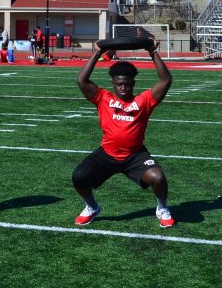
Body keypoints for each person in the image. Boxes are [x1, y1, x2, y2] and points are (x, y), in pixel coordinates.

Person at [72, 39, 174, 228]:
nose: (123, 88)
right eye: (119, 84)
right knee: (79, 177)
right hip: (107, 154)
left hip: (135, 155)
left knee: (158, 177)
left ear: (133, 83)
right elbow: (81, 80)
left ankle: (162, 208)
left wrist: (152, 51)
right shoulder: (103, 97)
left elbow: (165, 80)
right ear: (113, 83)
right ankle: (92, 207)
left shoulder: (144, 101)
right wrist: (97, 52)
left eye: (127, 84)